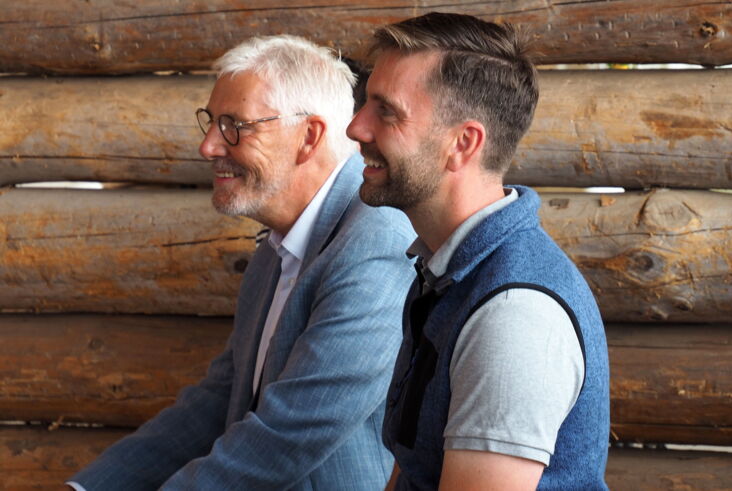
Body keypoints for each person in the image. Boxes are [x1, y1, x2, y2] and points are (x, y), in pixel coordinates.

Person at [70, 35, 415, 490]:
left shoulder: (377, 242)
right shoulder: (276, 245)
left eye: (235, 126)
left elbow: (289, 435)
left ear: (309, 137)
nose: (209, 146)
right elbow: (219, 400)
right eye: (211, 122)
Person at [346, 12, 610, 490]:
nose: (356, 128)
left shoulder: (513, 315)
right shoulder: (446, 267)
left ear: (463, 143)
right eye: (366, 103)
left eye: (386, 111)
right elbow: (413, 468)